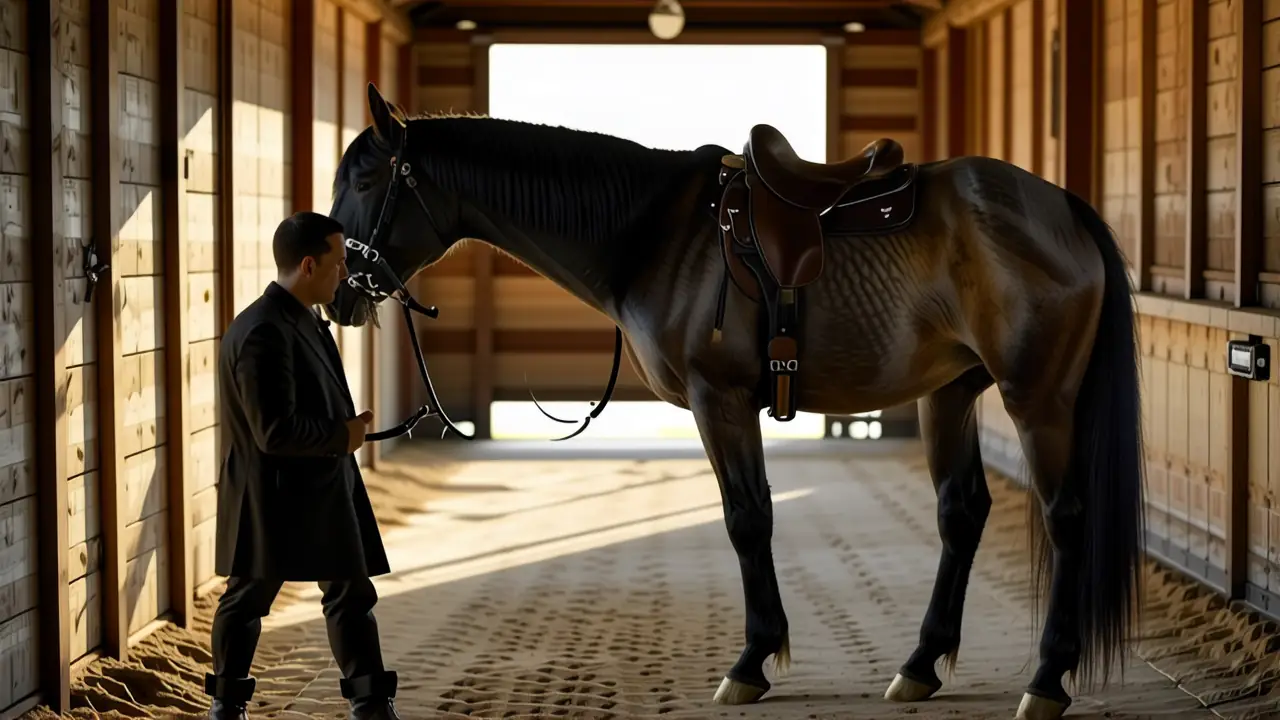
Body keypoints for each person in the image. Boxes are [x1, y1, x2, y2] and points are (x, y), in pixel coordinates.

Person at [204, 211, 400, 720]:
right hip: (270, 494)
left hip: (319, 486)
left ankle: (371, 704)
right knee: (247, 598)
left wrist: (343, 436)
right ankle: (225, 706)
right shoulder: (264, 331)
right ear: (309, 265)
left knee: (351, 592)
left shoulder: (306, 318)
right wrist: (345, 435)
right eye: (338, 264)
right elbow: (274, 431)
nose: (344, 275)